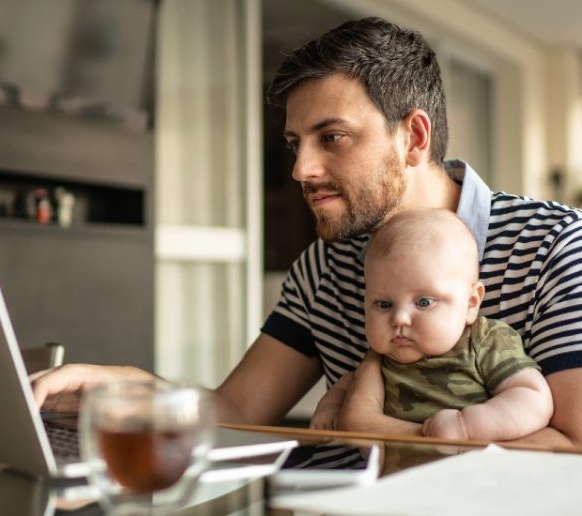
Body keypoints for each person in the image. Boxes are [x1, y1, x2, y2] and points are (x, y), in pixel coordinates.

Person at [31, 17, 582, 446]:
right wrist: (129, 389)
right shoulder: (323, 267)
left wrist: (381, 431)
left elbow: (572, 448)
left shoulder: (556, 246)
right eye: (296, 143)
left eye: (332, 137)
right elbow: (240, 412)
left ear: (413, 137)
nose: (300, 170)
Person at [310, 208, 553, 441]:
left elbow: (532, 396)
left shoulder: (484, 341)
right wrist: (330, 408)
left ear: (470, 303)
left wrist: (467, 425)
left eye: (424, 302)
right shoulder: (382, 358)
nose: (399, 319)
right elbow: (346, 385)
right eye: (384, 304)